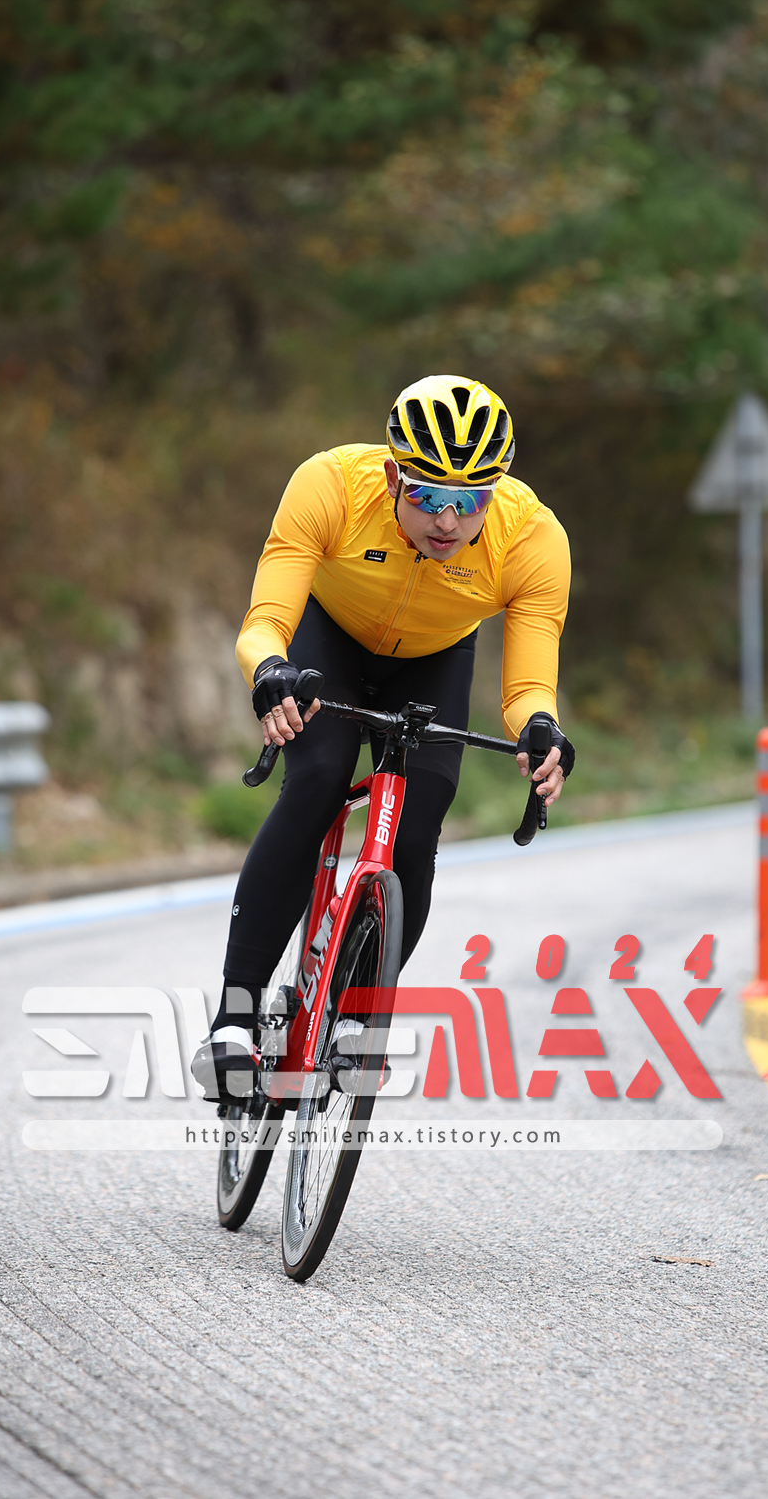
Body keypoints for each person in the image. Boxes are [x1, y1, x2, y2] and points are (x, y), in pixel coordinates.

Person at [191, 374, 574, 1097]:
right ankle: (234, 1020)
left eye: (471, 501)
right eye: (428, 495)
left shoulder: (532, 538)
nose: (448, 521)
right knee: (317, 780)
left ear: (495, 492)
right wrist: (270, 670)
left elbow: (527, 689)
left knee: (417, 821)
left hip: (433, 661)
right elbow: (265, 622)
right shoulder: (332, 485)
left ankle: (357, 1010)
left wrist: (540, 729)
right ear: (394, 476)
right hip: (327, 638)